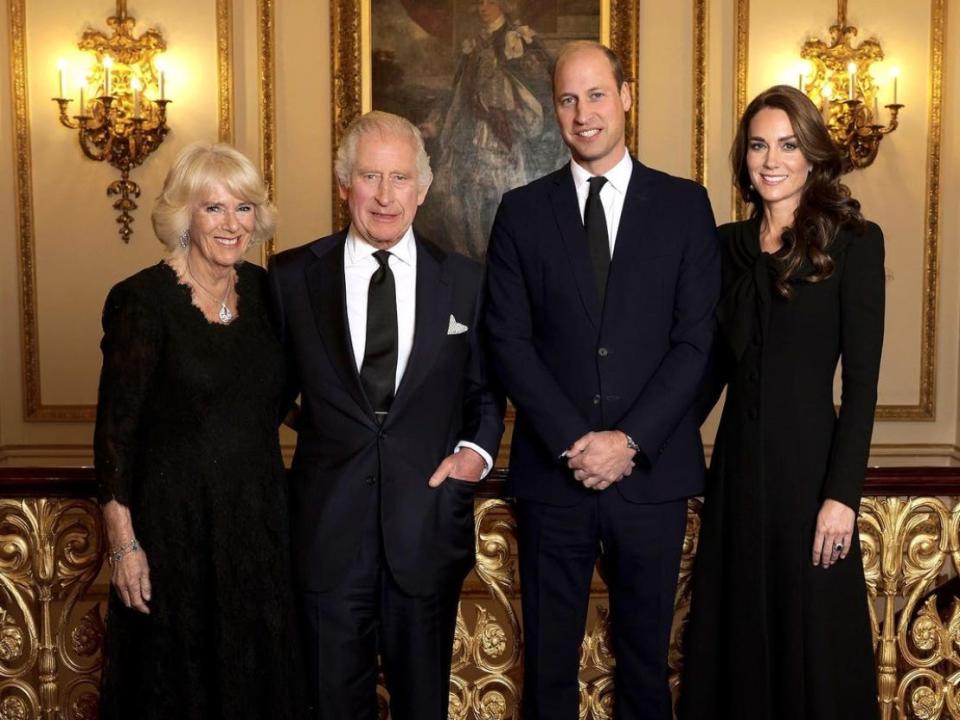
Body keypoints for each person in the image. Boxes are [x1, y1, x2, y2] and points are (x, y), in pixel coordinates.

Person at [484, 41, 720, 720]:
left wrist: (629, 441)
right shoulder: (521, 212)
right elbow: (508, 340)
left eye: (595, 94)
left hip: (652, 479)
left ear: (625, 95)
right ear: (554, 110)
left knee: (647, 671)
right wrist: (573, 443)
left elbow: (695, 341)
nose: (583, 112)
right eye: (567, 98)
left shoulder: (684, 206)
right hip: (554, 477)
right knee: (549, 674)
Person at [267, 110, 504, 720]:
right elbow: (260, 394)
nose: (384, 195)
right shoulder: (292, 277)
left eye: (400, 178)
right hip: (326, 534)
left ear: (422, 189)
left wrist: (471, 458)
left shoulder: (466, 283)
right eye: (369, 176)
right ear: (344, 183)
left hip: (425, 529)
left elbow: (485, 394)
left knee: (423, 706)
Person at [677, 85, 884, 720]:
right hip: (737, 474)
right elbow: (705, 371)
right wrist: (643, 443)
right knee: (735, 635)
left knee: (814, 643)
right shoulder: (724, 246)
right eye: (760, 145)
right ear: (744, 157)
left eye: (789, 145)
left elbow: (864, 382)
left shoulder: (855, 241)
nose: (772, 160)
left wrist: (841, 496)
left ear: (812, 154)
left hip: (811, 478)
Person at [94, 143, 299, 719]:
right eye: (213, 209)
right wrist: (124, 544)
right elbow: (114, 434)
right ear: (185, 216)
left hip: (259, 527)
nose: (232, 224)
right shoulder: (142, 301)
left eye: (243, 208)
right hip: (173, 532)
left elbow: (277, 400)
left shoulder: (265, 293)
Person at [418, 0, 566, 260]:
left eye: (490, 1)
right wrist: (436, 122)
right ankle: (472, 261)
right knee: (461, 194)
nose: (483, 7)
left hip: (502, 132)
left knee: (501, 196)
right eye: (479, 2)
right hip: (467, 130)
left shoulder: (517, 39)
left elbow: (540, 87)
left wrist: (506, 108)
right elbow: (457, 91)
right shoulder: (474, 44)